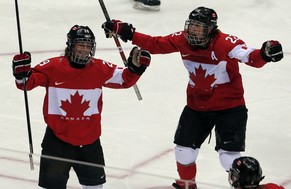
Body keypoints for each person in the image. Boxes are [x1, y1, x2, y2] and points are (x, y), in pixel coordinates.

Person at [101, 6, 284, 189]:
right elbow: (155, 44)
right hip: (197, 106)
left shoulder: (226, 43)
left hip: (229, 108)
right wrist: (126, 31)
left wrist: (264, 54)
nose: (193, 30)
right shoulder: (182, 39)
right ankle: (187, 186)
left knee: (228, 159)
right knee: (183, 152)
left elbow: (250, 57)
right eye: (192, 25)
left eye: (199, 27)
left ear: (211, 28)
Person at [12, 25, 151, 189]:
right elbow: (27, 84)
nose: (85, 50)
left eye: (88, 46)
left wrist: (136, 68)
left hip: (90, 143)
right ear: (70, 45)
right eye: (81, 45)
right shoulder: (52, 67)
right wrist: (21, 75)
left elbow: (124, 80)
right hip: (57, 143)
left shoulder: (100, 68)